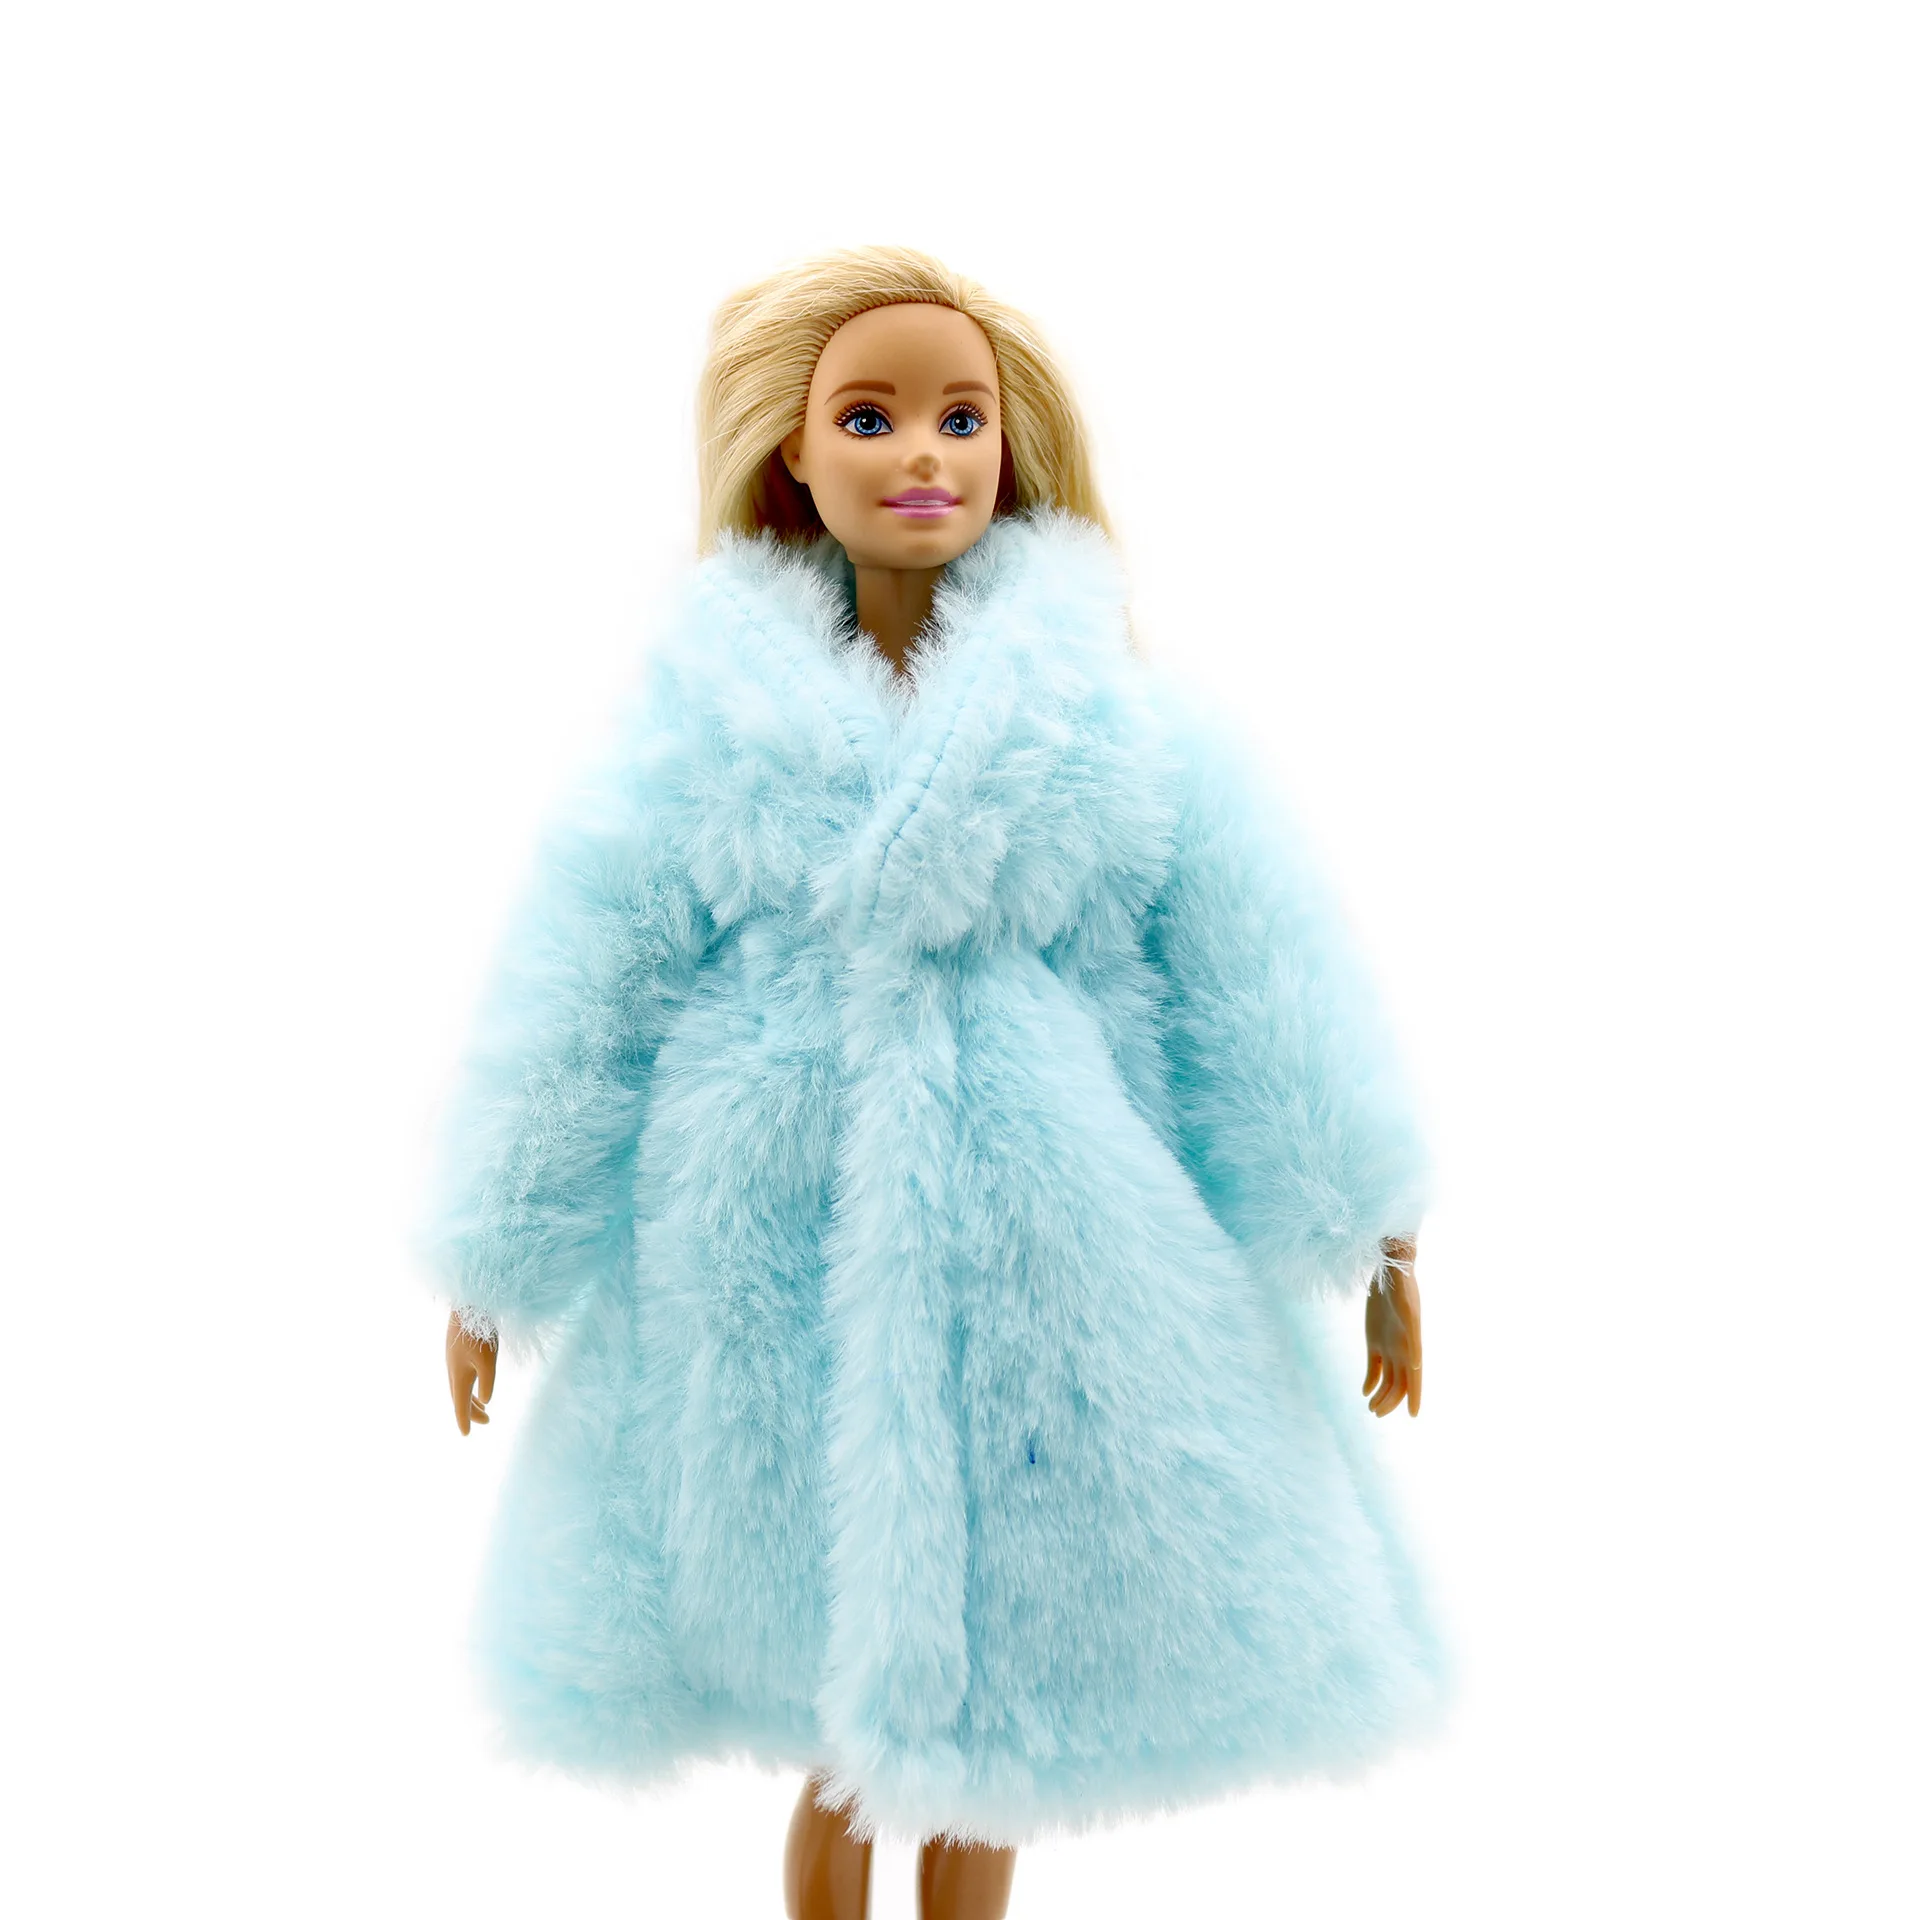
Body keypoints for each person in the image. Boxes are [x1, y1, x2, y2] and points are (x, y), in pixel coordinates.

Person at [422, 245, 1447, 1920]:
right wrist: (500, 1244)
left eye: (961, 419)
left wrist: (1365, 1222)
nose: (922, 455)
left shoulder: (1116, 721)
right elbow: (586, 972)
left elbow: (1255, 961)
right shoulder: (700, 728)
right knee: (818, 1681)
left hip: (1050, 1263)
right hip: (769, 1256)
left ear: (1008, 448)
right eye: (872, 417)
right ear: (793, 454)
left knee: (1003, 1694)